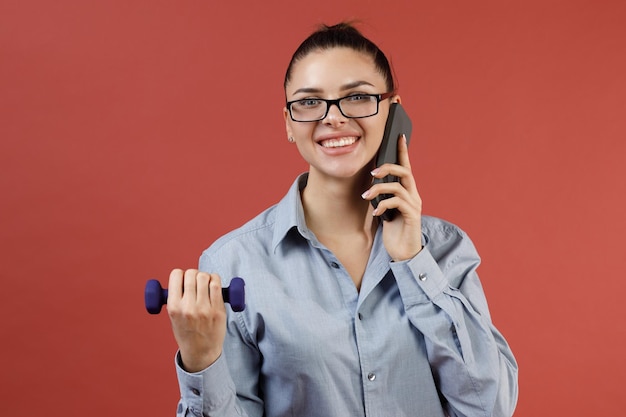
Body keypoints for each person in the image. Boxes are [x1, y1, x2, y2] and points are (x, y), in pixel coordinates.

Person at [165, 22, 518, 417]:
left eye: (357, 96)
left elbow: (490, 407)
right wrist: (201, 361)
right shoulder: (233, 263)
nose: (333, 118)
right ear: (287, 122)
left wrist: (413, 260)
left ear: (393, 110)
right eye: (310, 102)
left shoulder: (444, 249)